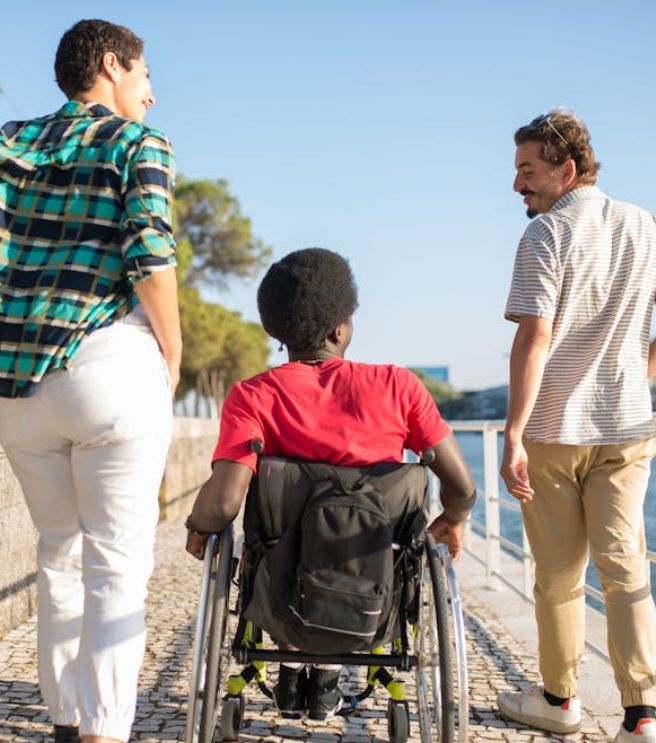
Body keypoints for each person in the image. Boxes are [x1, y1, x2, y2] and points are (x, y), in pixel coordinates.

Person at [0, 19, 179, 743]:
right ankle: (103, 730)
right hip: (108, 365)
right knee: (116, 564)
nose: (151, 94)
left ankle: (62, 719)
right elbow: (150, 254)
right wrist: (172, 353)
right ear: (113, 66)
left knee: (57, 552)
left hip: (19, 386)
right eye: (145, 75)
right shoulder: (135, 143)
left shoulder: (12, 140)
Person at [184, 248, 478, 720]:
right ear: (341, 328)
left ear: (274, 329)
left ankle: (297, 657)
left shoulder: (253, 395)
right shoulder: (399, 387)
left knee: (284, 538)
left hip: (277, 595)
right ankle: (329, 670)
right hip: (374, 590)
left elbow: (222, 503)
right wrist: (455, 520)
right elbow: (461, 488)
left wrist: (198, 526)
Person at [495, 109, 656, 743]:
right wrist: (635, 375)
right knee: (625, 568)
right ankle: (642, 717)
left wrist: (511, 434)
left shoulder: (545, 236)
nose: (517, 186)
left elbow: (535, 337)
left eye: (528, 172)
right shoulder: (648, 225)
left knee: (559, 576)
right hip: (627, 429)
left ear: (567, 170)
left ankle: (559, 701)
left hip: (555, 432)